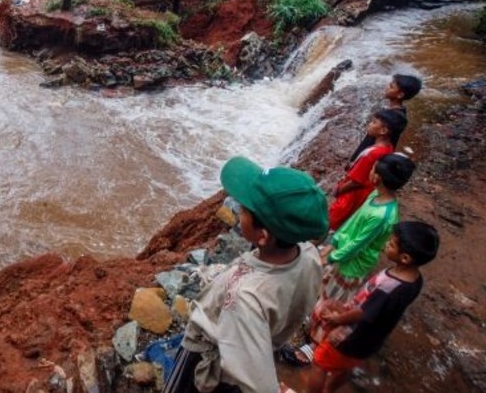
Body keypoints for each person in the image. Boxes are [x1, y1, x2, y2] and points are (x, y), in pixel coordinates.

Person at [162, 156, 329, 393]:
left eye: (244, 209)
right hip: (264, 340)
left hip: (211, 359)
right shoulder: (309, 253)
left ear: (263, 236)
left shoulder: (245, 297)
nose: (238, 210)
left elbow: (259, 385)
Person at [281, 153, 416, 367]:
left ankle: (315, 345)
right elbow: (353, 224)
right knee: (323, 290)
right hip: (342, 252)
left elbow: (359, 244)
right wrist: (334, 242)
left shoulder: (383, 216)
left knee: (334, 303)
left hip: (352, 265)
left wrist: (333, 256)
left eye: (373, 169)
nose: (369, 172)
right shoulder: (375, 196)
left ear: (377, 177)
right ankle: (311, 322)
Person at [305, 221, 440, 393]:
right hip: (370, 340)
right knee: (345, 366)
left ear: (405, 257)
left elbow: (362, 314)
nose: (386, 245)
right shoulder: (415, 280)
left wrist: (337, 318)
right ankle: (329, 390)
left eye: (391, 244)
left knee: (319, 363)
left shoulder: (389, 287)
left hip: (351, 337)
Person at [329, 109, 406, 232]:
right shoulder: (388, 148)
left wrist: (339, 190)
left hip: (351, 195)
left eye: (374, 122)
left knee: (331, 221)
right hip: (365, 193)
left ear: (383, 131)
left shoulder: (371, 154)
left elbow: (356, 181)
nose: (369, 124)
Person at [349, 75, 422, 162]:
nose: (387, 88)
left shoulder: (393, 117)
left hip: (371, 156)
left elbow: (372, 140)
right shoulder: (398, 113)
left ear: (400, 95)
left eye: (391, 87)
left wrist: (355, 159)